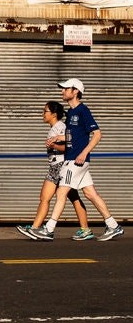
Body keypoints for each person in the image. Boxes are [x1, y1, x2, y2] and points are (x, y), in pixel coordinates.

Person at [29, 79, 124, 242]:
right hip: (75, 160)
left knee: (61, 193)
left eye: (66, 89)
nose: (62, 91)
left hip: (76, 160)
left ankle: (49, 229)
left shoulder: (82, 110)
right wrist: (61, 137)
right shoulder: (71, 113)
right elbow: (73, 135)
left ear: (75, 92)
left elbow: (97, 134)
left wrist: (83, 153)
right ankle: (113, 225)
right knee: (90, 193)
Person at [16, 101, 92, 240]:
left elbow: (70, 147)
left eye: (45, 111)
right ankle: (84, 229)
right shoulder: (55, 127)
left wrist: (55, 145)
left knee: (47, 198)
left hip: (61, 165)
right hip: (55, 166)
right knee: (71, 197)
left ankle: (36, 228)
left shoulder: (61, 127)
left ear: (54, 114)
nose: (43, 114)